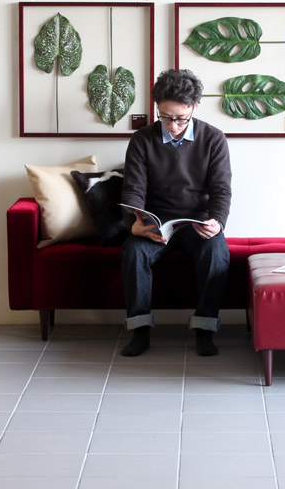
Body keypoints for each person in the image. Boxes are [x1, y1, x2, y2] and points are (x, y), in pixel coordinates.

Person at [120, 69, 232, 357]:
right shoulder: (142, 140)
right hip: (155, 224)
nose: (172, 125)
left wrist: (217, 223)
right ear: (157, 108)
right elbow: (133, 189)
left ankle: (205, 331)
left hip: (197, 223)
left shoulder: (213, 138)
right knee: (134, 252)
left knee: (217, 252)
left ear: (195, 106)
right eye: (165, 117)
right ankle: (140, 332)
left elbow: (221, 190)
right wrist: (134, 224)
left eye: (180, 118)